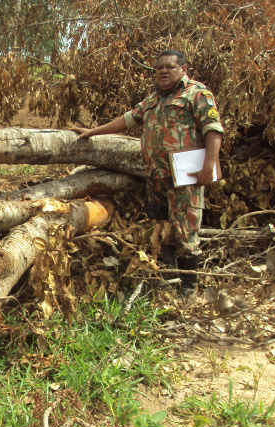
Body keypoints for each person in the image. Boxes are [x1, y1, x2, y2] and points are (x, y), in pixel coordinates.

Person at [73, 49, 224, 304]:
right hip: (156, 178)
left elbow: (213, 130)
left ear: (183, 70)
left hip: (186, 178)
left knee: (185, 232)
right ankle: (168, 278)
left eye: (170, 67)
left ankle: (188, 289)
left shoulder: (197, 94)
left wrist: (209, 167)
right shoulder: (154, 99)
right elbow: (127, 120)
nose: (163, 71)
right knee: (160, 228)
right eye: (159, 68)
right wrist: (92, 131)